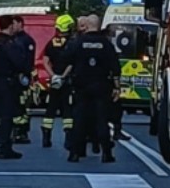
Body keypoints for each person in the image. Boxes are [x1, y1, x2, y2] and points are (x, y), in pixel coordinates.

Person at [65, 14, 121, 164]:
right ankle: (106, 153)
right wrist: (117, 86)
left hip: (81, 87)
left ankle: (75, 153)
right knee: (101, 120)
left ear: (87, 26)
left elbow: (67, 60)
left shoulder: (78, 42)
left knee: (79, 119)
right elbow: (115, 66)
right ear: (99, 25)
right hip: (101, 86)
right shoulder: (106, 44)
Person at [0, 15, 32, 159]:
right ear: (10, 26)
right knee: (6, 117)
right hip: (7, 83)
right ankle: (5, 148)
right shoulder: (9, 44)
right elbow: (19, 63)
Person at [41, 14, 77, 148]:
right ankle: (68, 137)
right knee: (67, 110)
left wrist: (53, 76)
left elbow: (45, 61)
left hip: (54, 81)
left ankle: (46, 136)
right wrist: (63, 76)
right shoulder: (72, 43)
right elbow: (72, 63)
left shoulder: (52, 42)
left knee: (50, 108)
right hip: (66, 82)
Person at [11, 20, 37, 144]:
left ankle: (22, 132)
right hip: (12, 77)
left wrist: (24, 74)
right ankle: (12, 131)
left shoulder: (27, 40)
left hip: (22, 78)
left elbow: (29, 61)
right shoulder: (11, 39)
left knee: (22, 106)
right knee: (13, 105)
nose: (12, 26)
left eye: (14, 23)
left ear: (21, 24)